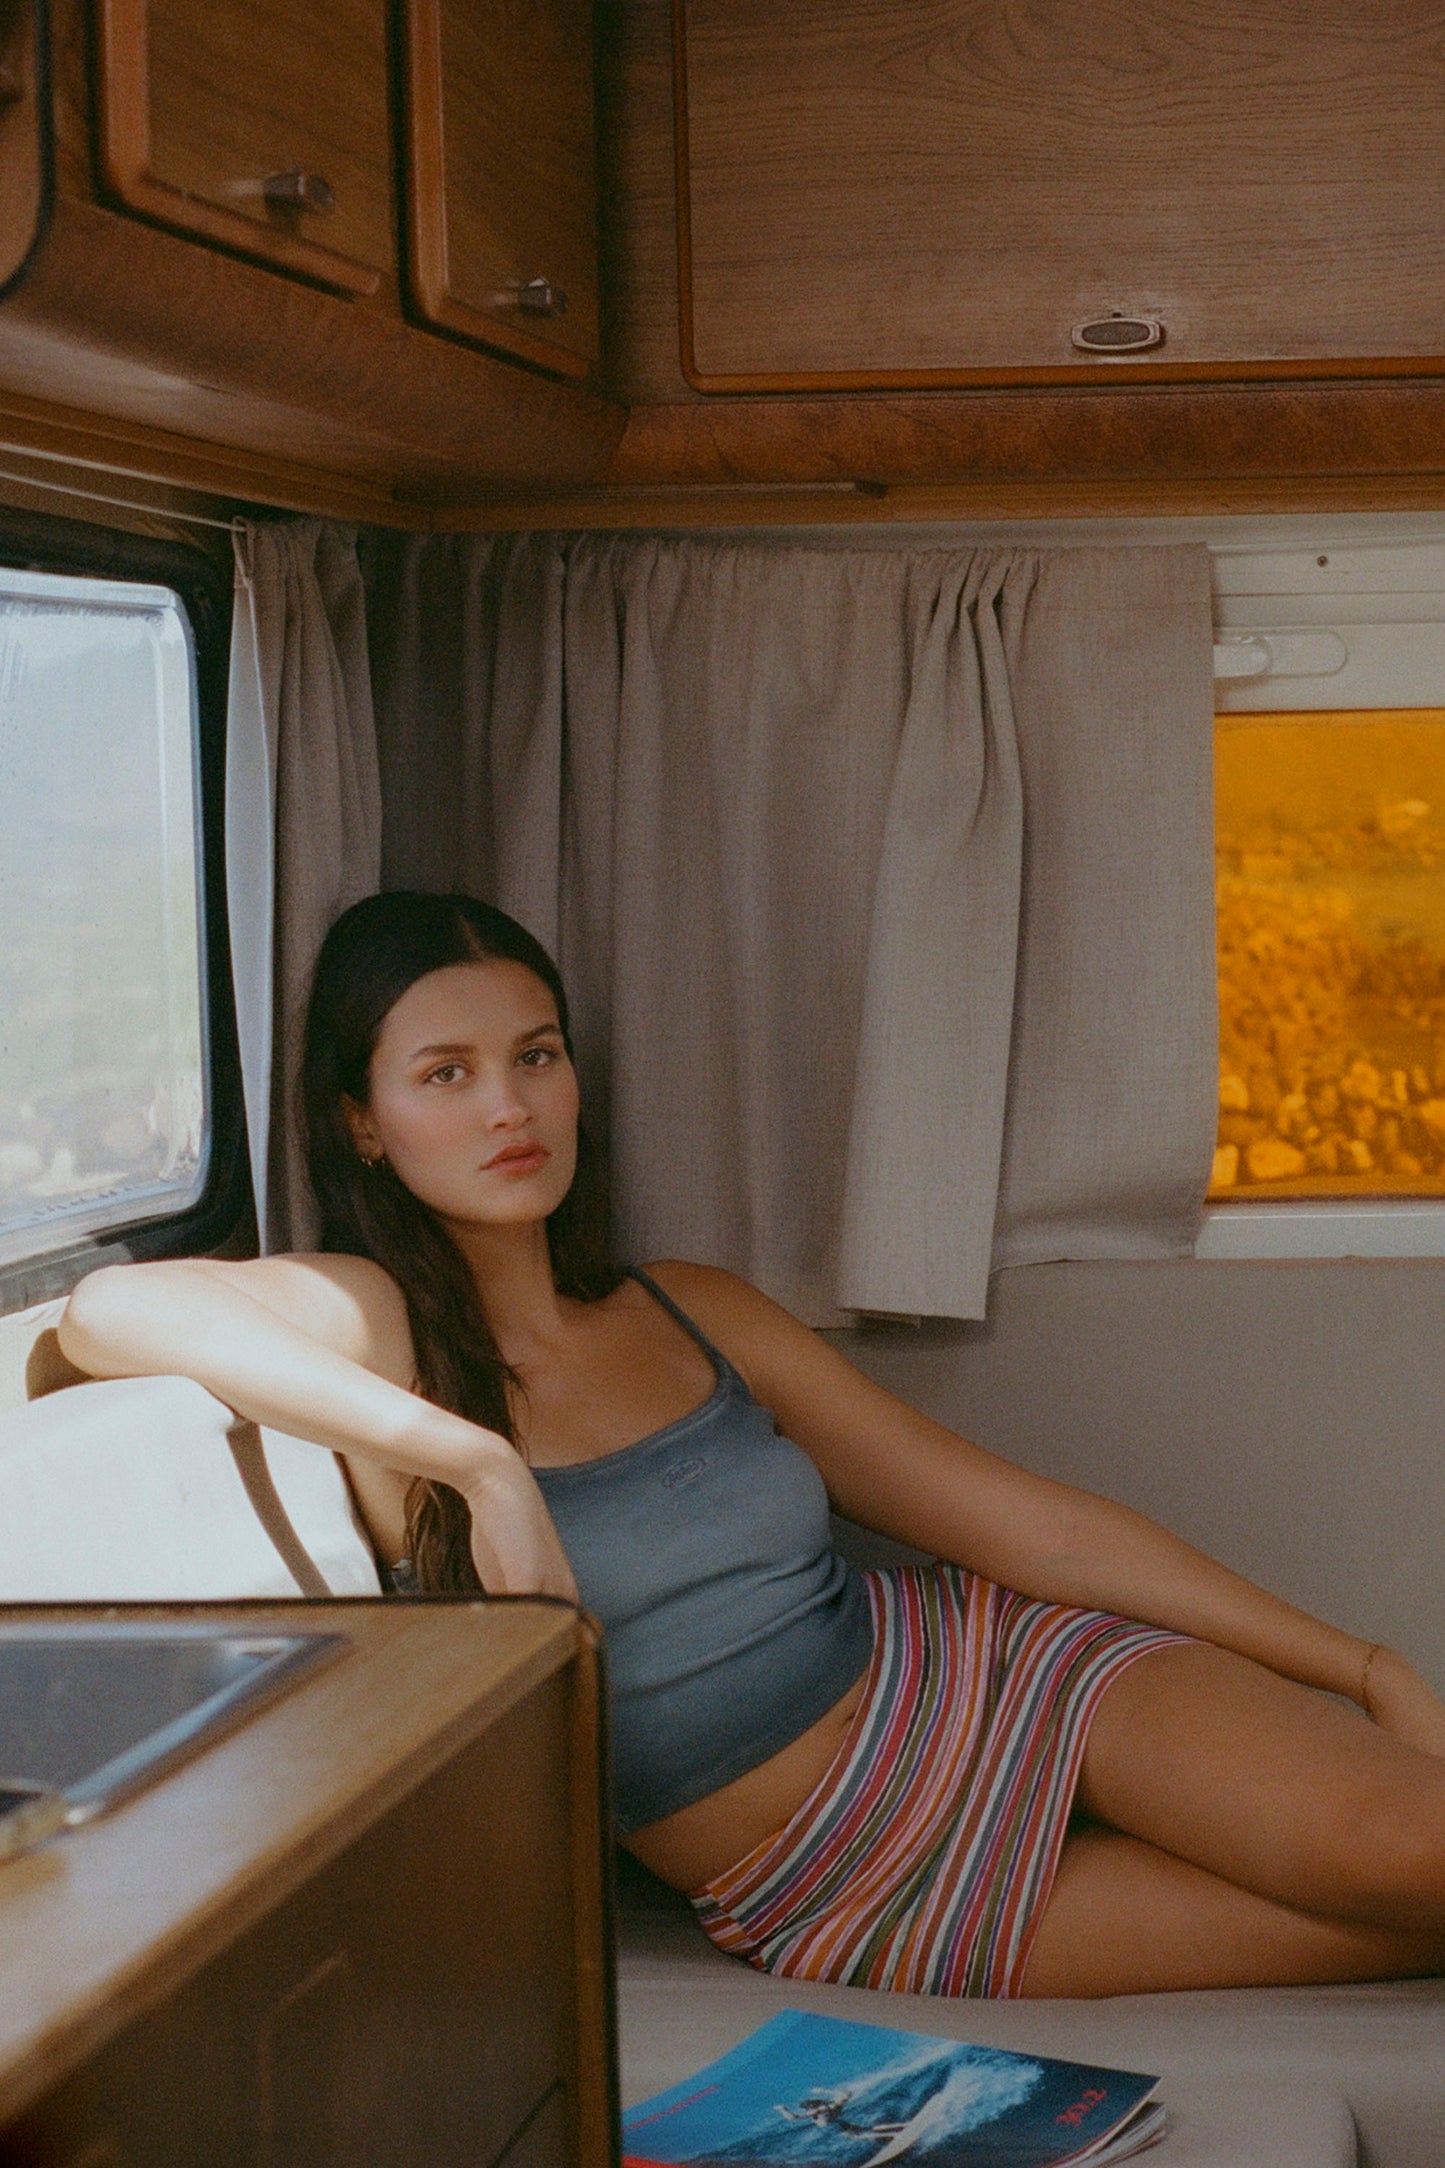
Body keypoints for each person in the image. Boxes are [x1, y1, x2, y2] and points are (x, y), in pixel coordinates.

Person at [58, 892, 1445, 2000]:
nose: (508, 1108)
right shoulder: (378, 1328)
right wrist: (471, 1462)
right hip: (831, 1879)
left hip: (1001, 1682)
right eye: (445, 1072)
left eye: (536, 1056)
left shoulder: (685, 1305)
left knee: (1417, 1854)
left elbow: (1037, 1532)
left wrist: (1362, 1665)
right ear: (361, 1120)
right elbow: (115, 1306)